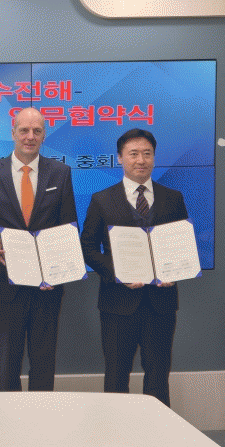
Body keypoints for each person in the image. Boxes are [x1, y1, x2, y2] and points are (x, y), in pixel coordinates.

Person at [81, 128, 188, 407]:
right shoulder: (102, 199)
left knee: (158, 377)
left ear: (154, 157)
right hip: (117, 304)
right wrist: (117, 272)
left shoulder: (173, 198)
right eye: (133, 154)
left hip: (161, 303)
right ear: (120, 158)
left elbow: (182, 246)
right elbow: (87, 247)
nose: (141, 160)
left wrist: (175, 272)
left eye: (147, 153)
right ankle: (116, 429)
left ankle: (158, 429)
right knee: (116, 378)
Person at [0, 107, 77, 392]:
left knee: (44, 364)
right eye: (24, 130)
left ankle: (41, 420)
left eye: (37, 131)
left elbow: (68, 228)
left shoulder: (60, 173)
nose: (30, 136)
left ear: (44, 135)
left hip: (47, 289)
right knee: (7, 366)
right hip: (5, 286)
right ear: (13, 133)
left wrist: (58, 271)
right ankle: (9, 420)